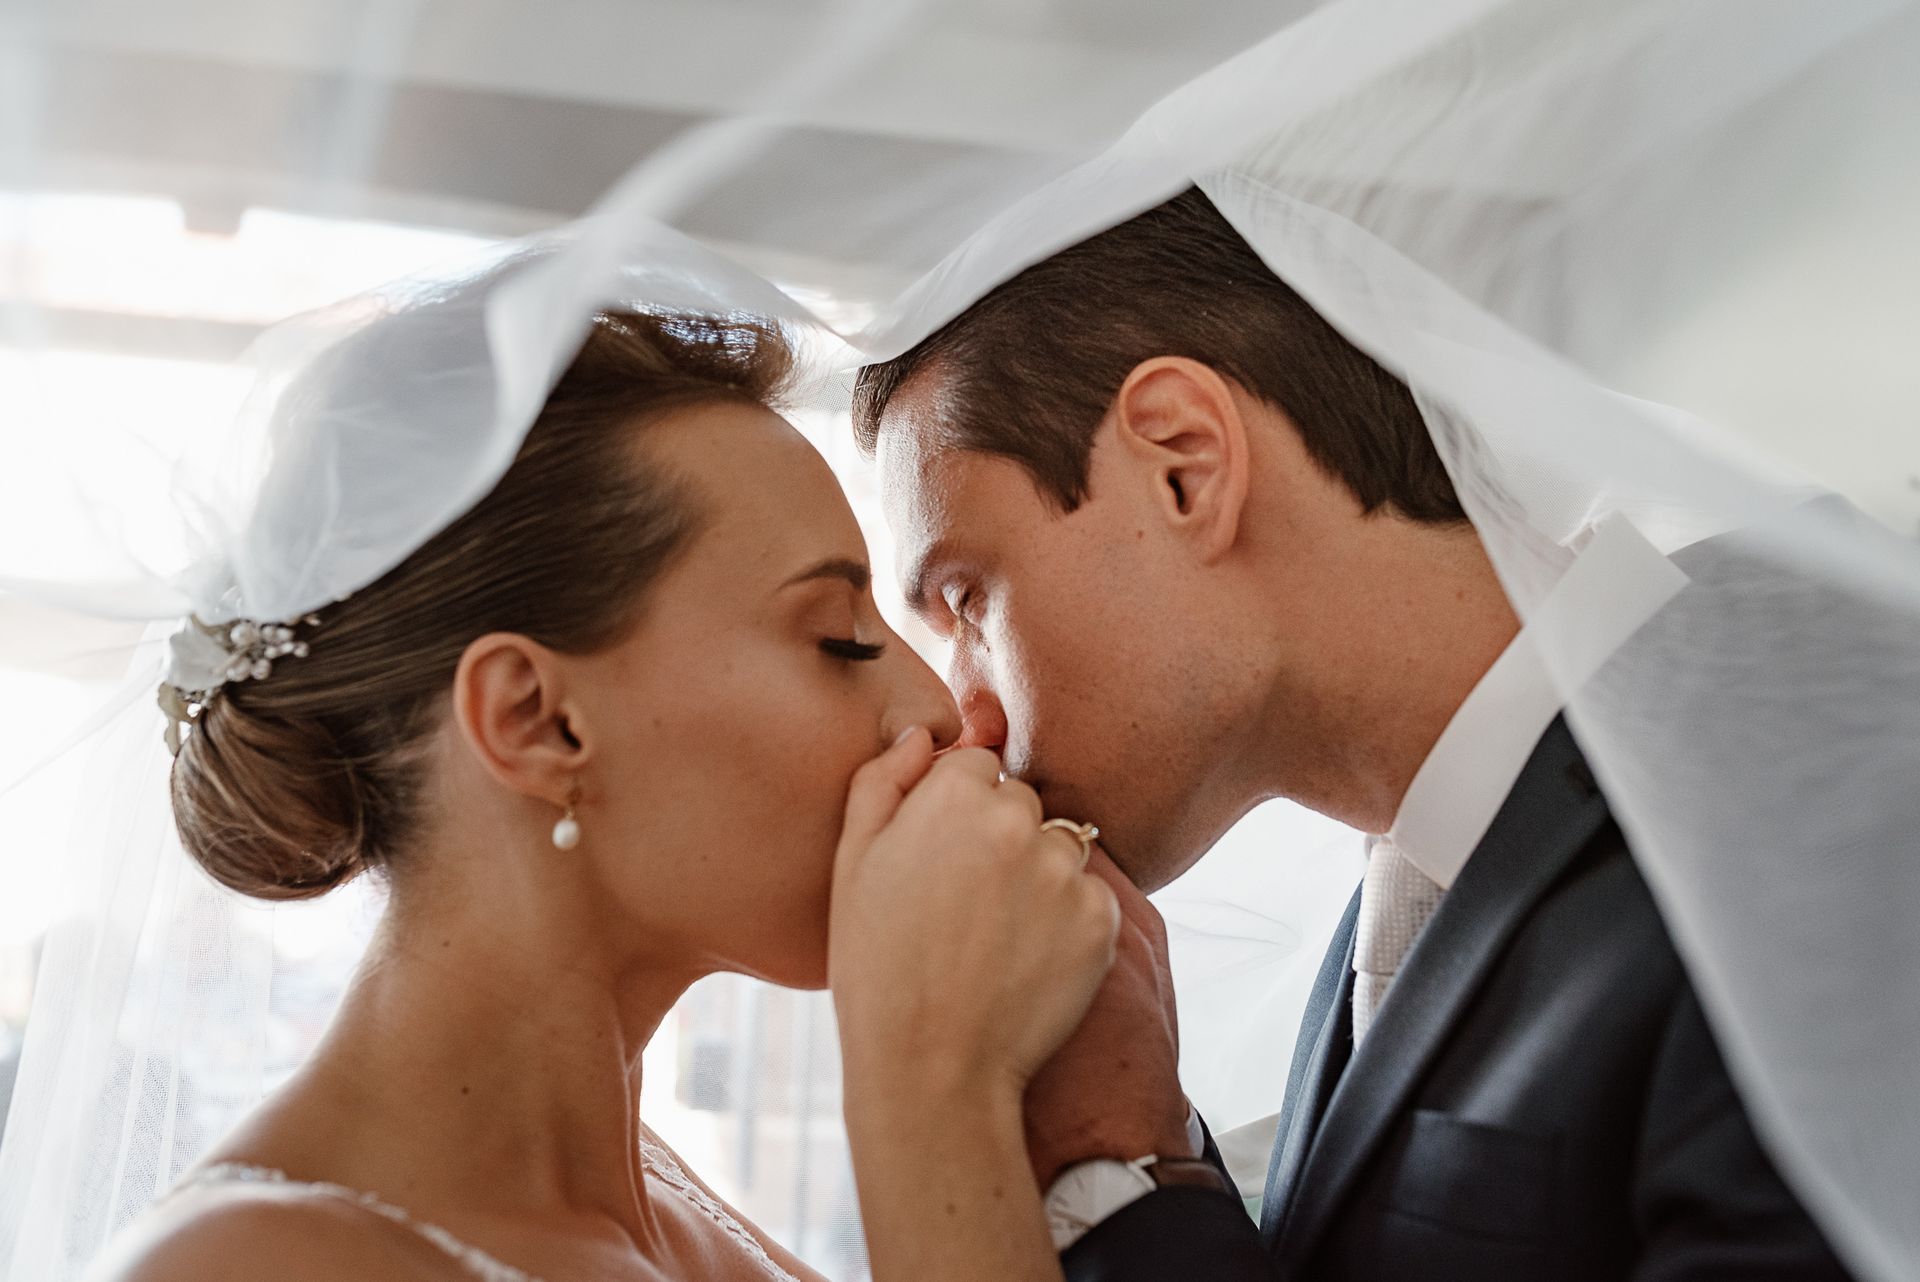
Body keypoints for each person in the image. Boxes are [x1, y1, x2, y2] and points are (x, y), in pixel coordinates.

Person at [844, 186, 1857, 1280]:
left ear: (1184, 464)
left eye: (966, 602)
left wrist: (1116, 1167)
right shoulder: (1404, 897)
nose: (969, 716)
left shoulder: (1828, 795)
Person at [87, 307, 1121, 1282]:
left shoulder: (665, 1199)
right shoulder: (247, 1265)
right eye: (838, 637)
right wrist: (934, 1091)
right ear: (538, 721)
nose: (942, 713)